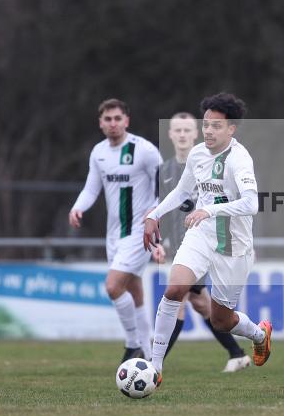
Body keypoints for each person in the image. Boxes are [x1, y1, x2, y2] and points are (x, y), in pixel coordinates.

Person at [143, 93, 271, 384]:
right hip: (200, 237)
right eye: (206, 125)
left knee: (221, 320)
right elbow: (181, 191)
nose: (209, 131)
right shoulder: (198, 154)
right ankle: (155, 368)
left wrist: (209, 210)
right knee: (175, 289)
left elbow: (252, 204)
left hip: (234, 248)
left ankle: (259, 334)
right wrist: (154, 215)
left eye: (216, 125)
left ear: (231, 129)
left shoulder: (240, 159)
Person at [158, 111, 251, 372]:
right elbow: (167, 210)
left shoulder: (213, 161)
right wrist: (159, 242)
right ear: (170, 134)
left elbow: (240, 200)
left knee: (178, 299)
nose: (182, 134)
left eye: (187, 130)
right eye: (178, 130)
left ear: (195, 133)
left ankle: (153, 364)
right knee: (201, 304)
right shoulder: (164, 170)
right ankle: (237, 352)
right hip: (182, 247)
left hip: (213, 244)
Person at [69, 99, 162, 361]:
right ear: (100, 123)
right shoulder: (98, 152)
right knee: (134, 290)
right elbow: (91, 188)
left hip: (139, 232)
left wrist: (153, 212)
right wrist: (78, 207)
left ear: (127, 121)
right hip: (114, 234)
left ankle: (133, 344)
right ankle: (150, 350)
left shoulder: (144, 150)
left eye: (117, 118)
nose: (113, 123)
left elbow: (167, 186)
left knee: (112, 287)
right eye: (107, 119)